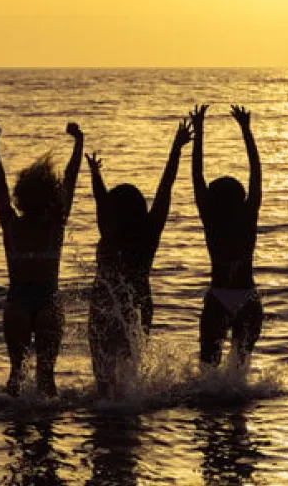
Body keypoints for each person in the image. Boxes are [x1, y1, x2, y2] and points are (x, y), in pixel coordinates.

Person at [84, 119, 191, 397]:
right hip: (139, 301)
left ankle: (107, 410)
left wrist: (95, 173)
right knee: (131, 372)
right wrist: (175, 150)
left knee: (103, 378)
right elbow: (165, 188)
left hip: (105, 303)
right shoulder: (148, 234)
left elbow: (100, 199)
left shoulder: (108, 232)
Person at [0, 121, 83, 397]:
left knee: (16, 376)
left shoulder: (10, 225)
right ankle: (46, 435)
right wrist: (78, 143)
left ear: (20, 196)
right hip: (48, 302)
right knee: (46, 379)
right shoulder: (56, 225)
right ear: (52, 196)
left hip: (17, 301)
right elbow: (71, 178)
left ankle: (15, 434)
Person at [189, 104, 263, 370]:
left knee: (208, 370)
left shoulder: (211, 218)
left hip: (219, 295)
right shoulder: (248, 215)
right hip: (247, 296)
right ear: (241, 196)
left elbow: (196, 176)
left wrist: (199, 131)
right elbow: (257, 172)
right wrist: (246, 130)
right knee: (239, 372)